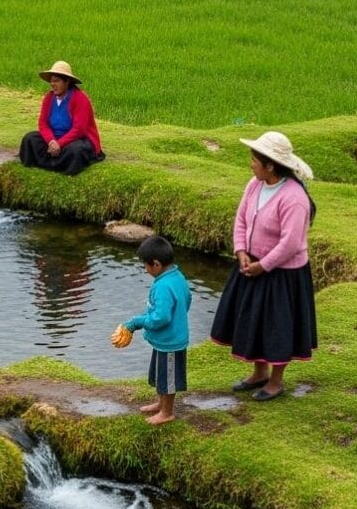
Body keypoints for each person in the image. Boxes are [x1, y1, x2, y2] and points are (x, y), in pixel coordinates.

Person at [211, 131, 317, 402]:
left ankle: (276, 381)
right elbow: (242, 219)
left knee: (278, 325)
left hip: (282, 273)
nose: (251, 164)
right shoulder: (254, 185)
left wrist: (264, 265)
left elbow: (291, 243)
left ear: (270, 165)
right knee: (252, 321)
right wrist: (241, 250)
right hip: (251, 264)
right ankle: (259, 372)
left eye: (255, 160)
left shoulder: (294, 198)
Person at [113, 235, 192, 426]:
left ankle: (167, 412)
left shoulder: (163, 286)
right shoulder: (177, 276)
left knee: (168, 377)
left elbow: (161, 317)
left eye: (145, 265)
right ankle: (160, 403)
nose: (145, 269)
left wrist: (137, 322)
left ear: (156, 264)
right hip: (164, 340)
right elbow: (188, 298)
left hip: (170, 342)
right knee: (160, 374)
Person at [18, 60, 104, 176]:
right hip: (55, 138)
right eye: (51, 81)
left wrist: (60, 143)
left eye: (57, 81)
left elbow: (79, 130)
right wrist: (52, 141)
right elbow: (43, 124)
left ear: (67, 81)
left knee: (75, 151)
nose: (53, 84)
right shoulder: (49, 98)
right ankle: (54, 163)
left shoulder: (80, 99)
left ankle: (58, 166)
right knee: (29, 139)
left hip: (77, 140)